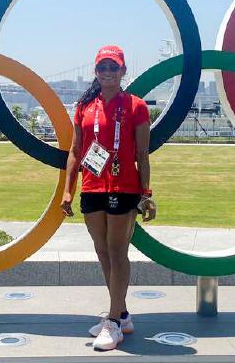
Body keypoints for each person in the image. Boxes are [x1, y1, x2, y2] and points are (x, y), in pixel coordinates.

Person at [61, 45, 157, 351]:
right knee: (102, 252)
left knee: (117, 253)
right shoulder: (85, 106)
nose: (107, 73)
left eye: (113, 68)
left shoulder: (137, 106)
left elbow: (142, 154)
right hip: (92, 185)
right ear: (96, 71)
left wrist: (147, 193)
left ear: (123, 72)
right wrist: (67, 189)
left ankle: (113, 322)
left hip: (124, 186)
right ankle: (122, 314)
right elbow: (76, 152)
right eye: (102, 67)